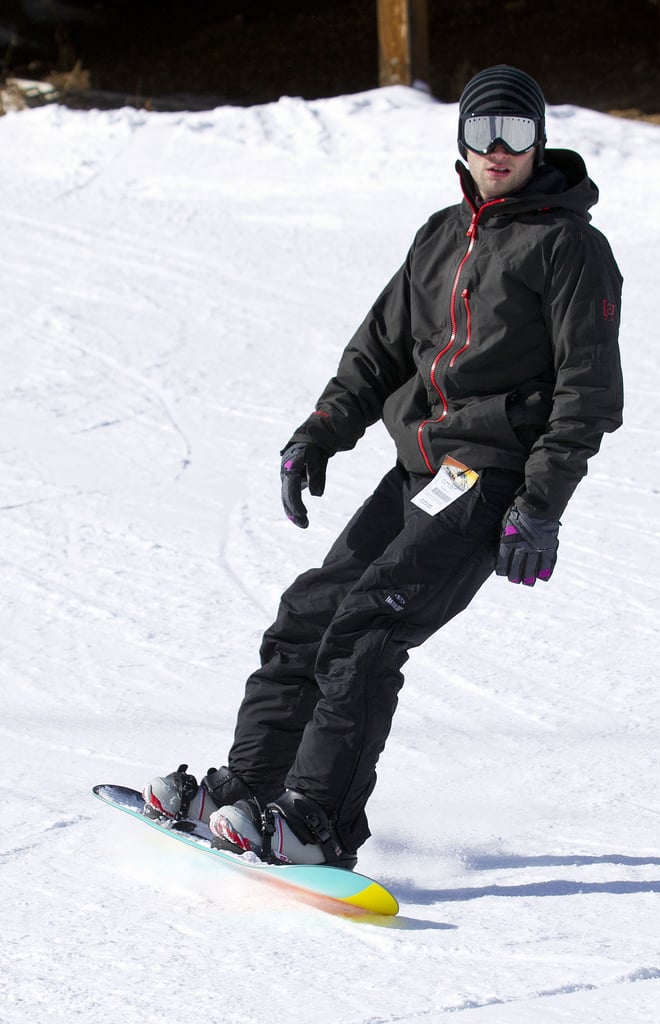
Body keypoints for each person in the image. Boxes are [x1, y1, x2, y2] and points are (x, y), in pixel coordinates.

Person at [143, 65, 623, 870]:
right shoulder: (441, 233)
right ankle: (253, 792)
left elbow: (588, 390)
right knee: (308, 615)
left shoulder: (570, 246)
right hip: (420, 471)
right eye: (479, 133)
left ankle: (318, 825)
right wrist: (318, 434)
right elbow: (378, 350)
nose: (496, 150)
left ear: (540, 140)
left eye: (513, 133)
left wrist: (541, 505)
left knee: (367, 629)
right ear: (460, 142)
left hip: (489, 477)